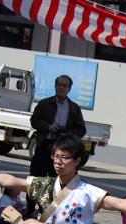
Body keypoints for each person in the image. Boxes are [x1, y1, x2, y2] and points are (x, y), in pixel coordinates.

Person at [29, 75, 86, 215]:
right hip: (44, 147)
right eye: (59, 85)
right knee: (36, 180)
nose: (61, 88)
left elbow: (81, 129)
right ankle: (29, 209)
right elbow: (34, 121)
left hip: (61, 150)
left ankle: (47, 212)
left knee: (56, 183)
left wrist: (67, 135)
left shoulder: (73, 108)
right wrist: (48, 127)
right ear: (55, 86)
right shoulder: (44, 104)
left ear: (69, 89)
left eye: (64, 86)